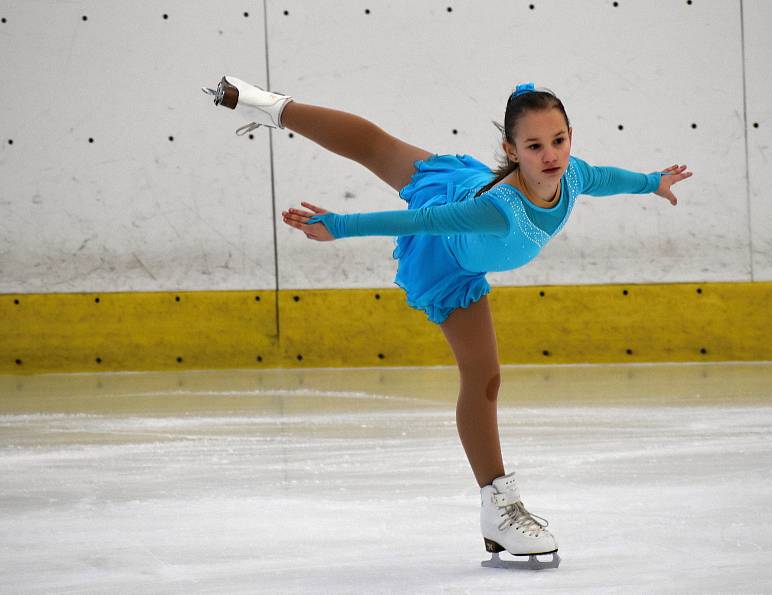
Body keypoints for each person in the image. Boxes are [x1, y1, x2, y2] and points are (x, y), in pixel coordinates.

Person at [203, 76, 692, 568]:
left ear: (570, 137)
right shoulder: (496, 210)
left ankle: (271, 107)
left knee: (378, 149)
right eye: (535, 145)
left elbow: (606, 178)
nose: (551, 156)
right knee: (484, 375)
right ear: (512, 148)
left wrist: (653, 182)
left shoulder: (574, 175)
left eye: (559, 140)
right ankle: (270, 106)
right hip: (449, 253)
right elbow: (425, 224)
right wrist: (341, 226)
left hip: (456, 191)